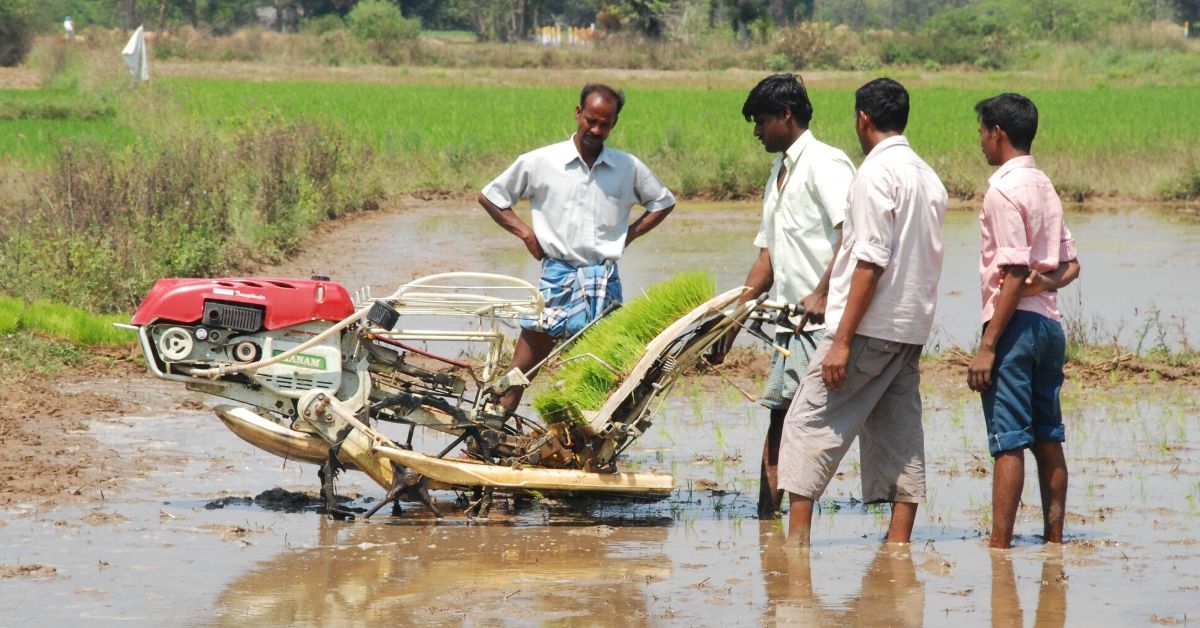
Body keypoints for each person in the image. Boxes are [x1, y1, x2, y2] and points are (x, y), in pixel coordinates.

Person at [777, 78, 948, 546]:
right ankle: (897, 546)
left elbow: (870, 261)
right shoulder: (927, 176)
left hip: (870, 327)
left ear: (863, 119)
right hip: (909, 328)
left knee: (807, 423)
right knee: (899, 431)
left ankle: (796, 547)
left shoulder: (874, 175)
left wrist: (843, 341)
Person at [707, 73, 855, 519]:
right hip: (789, 327)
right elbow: (766, 262)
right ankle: (768, 519)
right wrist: (729, 327)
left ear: (785, 116)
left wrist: (823, 292)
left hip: (826, 325)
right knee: (780, 417)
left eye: (760, 121)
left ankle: (790, 523)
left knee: (805, 424)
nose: (756, 131)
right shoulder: (779, 171)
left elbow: (855, 236)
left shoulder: (826, 164)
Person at [478, 84, 676, 415]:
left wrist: (628, 236)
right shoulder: (542, 161)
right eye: (591, 121)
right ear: (578, 113)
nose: (596, 130)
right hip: (557, 275)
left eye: (606, 124)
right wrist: (525, 233)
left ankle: (583, 448)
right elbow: (491, 196)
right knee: (520, 370)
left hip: (602, 280)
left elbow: (663, 201)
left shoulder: (627, 167)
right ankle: (486, 433)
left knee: (599, 372)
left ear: (615, 123)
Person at [968, 93, 1080, 549]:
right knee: (1048, 435)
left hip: (1012, 328)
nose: (980, 142)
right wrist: (1041, 285)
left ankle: (1000, 547)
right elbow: (1071, 266)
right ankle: (1054, 540)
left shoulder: (1003, 190)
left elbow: (1013, 272)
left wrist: (988, 344)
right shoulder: (1044, 185)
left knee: (1009, 440)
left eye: (982, 132)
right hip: (1049, 329)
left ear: (998, 133)